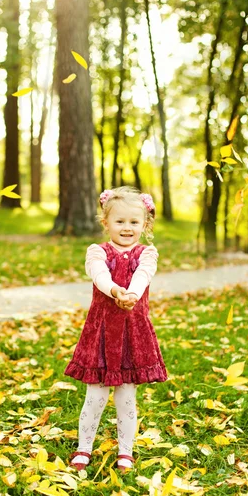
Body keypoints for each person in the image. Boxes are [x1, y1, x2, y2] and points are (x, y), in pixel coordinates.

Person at [63, 186, 168, 473]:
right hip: (101, 334)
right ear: (105, 223)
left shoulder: (147, 253)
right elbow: (99, 274)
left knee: (126, 396)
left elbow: (144, 276)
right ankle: (84, 447)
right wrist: (114, 290)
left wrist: (131, 294)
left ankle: (126, 451)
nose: (127, 228)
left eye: (134, 222)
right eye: (119, 221)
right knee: (94, 396)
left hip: (132, 334)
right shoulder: (97, 251)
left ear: (145, 225)